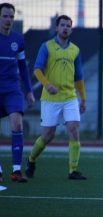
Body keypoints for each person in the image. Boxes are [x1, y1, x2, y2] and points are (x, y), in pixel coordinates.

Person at [25, 14, 87, 180]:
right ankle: (31, 159)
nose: (66, 28)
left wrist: (83, 98)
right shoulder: (47, 46)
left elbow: (79, 76)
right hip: (51, 98)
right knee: (48, 136)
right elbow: (37, 69)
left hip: (70, 97)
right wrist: (47, 84)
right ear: (57, 28)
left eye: (68, 26)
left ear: (71, 29)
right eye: (63, 25)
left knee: (74, 130)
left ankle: (73, 170)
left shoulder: (75, 50)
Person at [0, 2, 35, 183]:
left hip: (13, 90)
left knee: (17, 125)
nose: (8, 20)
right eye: (5, 16)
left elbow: (22, 66)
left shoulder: (18, 40)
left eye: (11, 17)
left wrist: (29, 91)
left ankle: (16, 171)